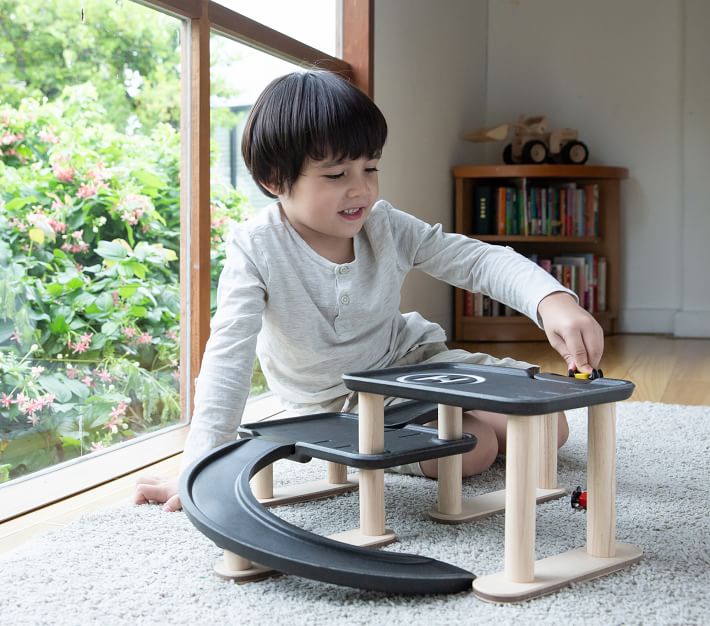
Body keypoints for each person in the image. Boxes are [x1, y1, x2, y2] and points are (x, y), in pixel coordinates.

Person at [134, 71, 603, 512]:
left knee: (548, 428)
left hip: (414, 365)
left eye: (371, 168)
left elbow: (475, 259)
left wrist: (552, 301)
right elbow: (228, 356)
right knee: (473, 450)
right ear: (274, 181)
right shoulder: (256, 249)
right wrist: (200, 462)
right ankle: (444, 430)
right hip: (337, 401)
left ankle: (449, 419)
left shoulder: (385, 226)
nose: (360, 189)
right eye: (336, 176)